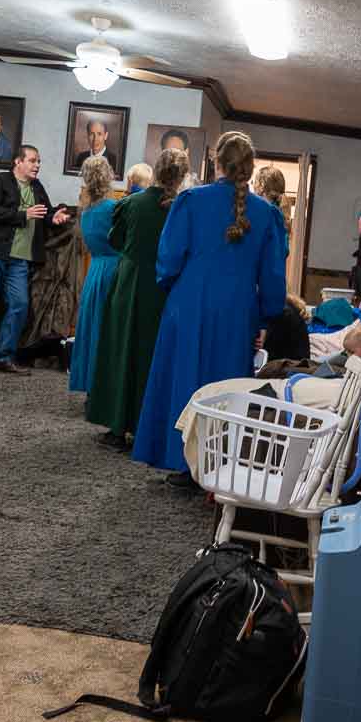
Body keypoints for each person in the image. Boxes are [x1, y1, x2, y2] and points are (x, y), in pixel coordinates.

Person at [132, 131, 287, 476]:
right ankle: (218, 464)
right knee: (227, 385)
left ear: (216, 162)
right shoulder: (267, 214)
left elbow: (169, 259)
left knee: (183, 377)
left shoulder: (190, 201)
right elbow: (274, 275)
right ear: (249, 166)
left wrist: (173, 288)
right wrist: (266, 316)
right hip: (237, 308)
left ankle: (179, 461)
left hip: (189, 300)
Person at [86, 145, 188, 448]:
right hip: (163, 288)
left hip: (129, 284)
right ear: (181, 176)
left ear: (156, 171)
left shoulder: (131, 204)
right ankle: (147, 428)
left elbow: (115, 240)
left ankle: (117, 427)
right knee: (150, 356)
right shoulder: (181, 208)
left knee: (121, 353)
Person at [0, 144, 70, 376]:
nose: (37, 165)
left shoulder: (37, 186)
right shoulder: (0, 181)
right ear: (18, 162)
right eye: (33, 160)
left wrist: (54, 216)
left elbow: (43, 213)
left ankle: (3, 357)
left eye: (38, 161)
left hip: (20, 259)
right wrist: (22, 215)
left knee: (19, 304)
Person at [68, 157, 120, 395]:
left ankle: (89, 383)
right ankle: (103, 386)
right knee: (106, 329)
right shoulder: (112, 208)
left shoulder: (86, 211)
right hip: (113, 270)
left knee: (91, 327)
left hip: (95, 271)